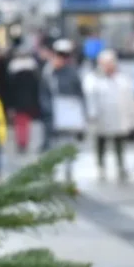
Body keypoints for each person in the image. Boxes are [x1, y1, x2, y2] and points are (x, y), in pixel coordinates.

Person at [84, 50, 134, 181]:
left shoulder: (123, 79)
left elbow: (129, 99)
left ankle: (120, 165)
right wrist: (91, 114)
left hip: (118, 117)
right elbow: (89, 98)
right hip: (101, 117)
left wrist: (132, 118)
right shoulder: (93, 80)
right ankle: (101, 166)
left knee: (119, 141)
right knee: (100, 141)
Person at [46, 39, 87, 181]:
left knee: (69, 144)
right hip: (52, 115)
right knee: (52, 145)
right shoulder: (49, 72)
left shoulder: (73, 72)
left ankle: (68, 173)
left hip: (70, 116)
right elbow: (44, 92)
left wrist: (81, 114)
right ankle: (51, 172)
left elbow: (80, 93)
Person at [3, 49, 43, 154]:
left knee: (19, 123)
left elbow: (9, 89)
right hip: (29, 101)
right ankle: (24, 142)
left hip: (17, 101)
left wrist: (9, 104)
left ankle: (21, 142)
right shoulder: (33, 71)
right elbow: (36, 88)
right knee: (26, 123)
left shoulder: (13, 71)